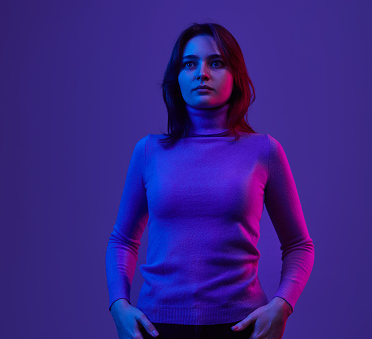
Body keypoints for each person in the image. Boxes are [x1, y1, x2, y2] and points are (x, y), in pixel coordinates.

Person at [105, 22, 315, 339]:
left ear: (235, 75)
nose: (202, 73)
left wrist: (282, 306)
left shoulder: (264, 151)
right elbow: (122, 241)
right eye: (190, 64)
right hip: (157, 328)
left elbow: (299, 245)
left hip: (242, 328)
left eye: (215, 63)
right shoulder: (149, 152)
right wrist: (118, 304)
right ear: (177, 77)